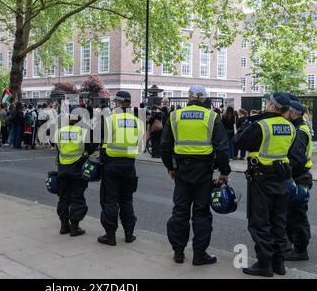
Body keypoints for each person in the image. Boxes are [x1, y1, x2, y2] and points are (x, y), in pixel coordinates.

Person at [160, 85, 230, 265]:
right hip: (204, 170)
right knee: (201, 213)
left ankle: (178, 252)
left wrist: (171, 168)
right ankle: (199, 254)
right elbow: (222, 147)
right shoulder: (212, 117)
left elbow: (165, 146)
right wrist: (224, 172)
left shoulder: (175, 115)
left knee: (180, 211)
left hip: (182, 170)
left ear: (188, 97)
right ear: (204, 98)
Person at [234, 93, 295, 277]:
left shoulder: (261, 125)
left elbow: (238, 142)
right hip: (281, 179)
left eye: (268, 102)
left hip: (261, 180)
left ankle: (264, 264)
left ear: (271, 106)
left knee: (260, 223)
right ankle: (279, 263)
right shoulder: (291, 127)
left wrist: (249, 121)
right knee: (279, 222)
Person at [98, 91, 143, 246]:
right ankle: (129, 234)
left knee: (110, 200)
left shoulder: (110, 120)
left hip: (111, 165)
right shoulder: (138, 122)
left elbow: (101, 141)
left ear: (117, 102)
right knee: (126, 200)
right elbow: (139, 144)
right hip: (129, 165)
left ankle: (110, 236)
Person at [56, 114, 96, 236]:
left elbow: (58, 148)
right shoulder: (83, 132)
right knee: (77, 197)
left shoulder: (60, 132)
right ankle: (74, 226)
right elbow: (91, 148)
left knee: (63, 197)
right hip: (78, 167)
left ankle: (64, 225)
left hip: (62, 167)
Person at [282, 100, 312, 262]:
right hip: (299, 176)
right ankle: (294, 246)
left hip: (299, 177)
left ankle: (300, 250)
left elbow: (296, 158)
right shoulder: (298, 127)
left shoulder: (300, 131)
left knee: (297, 215)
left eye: (287, 112)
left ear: (293, 113)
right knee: (291, 214)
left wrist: (284, 172)